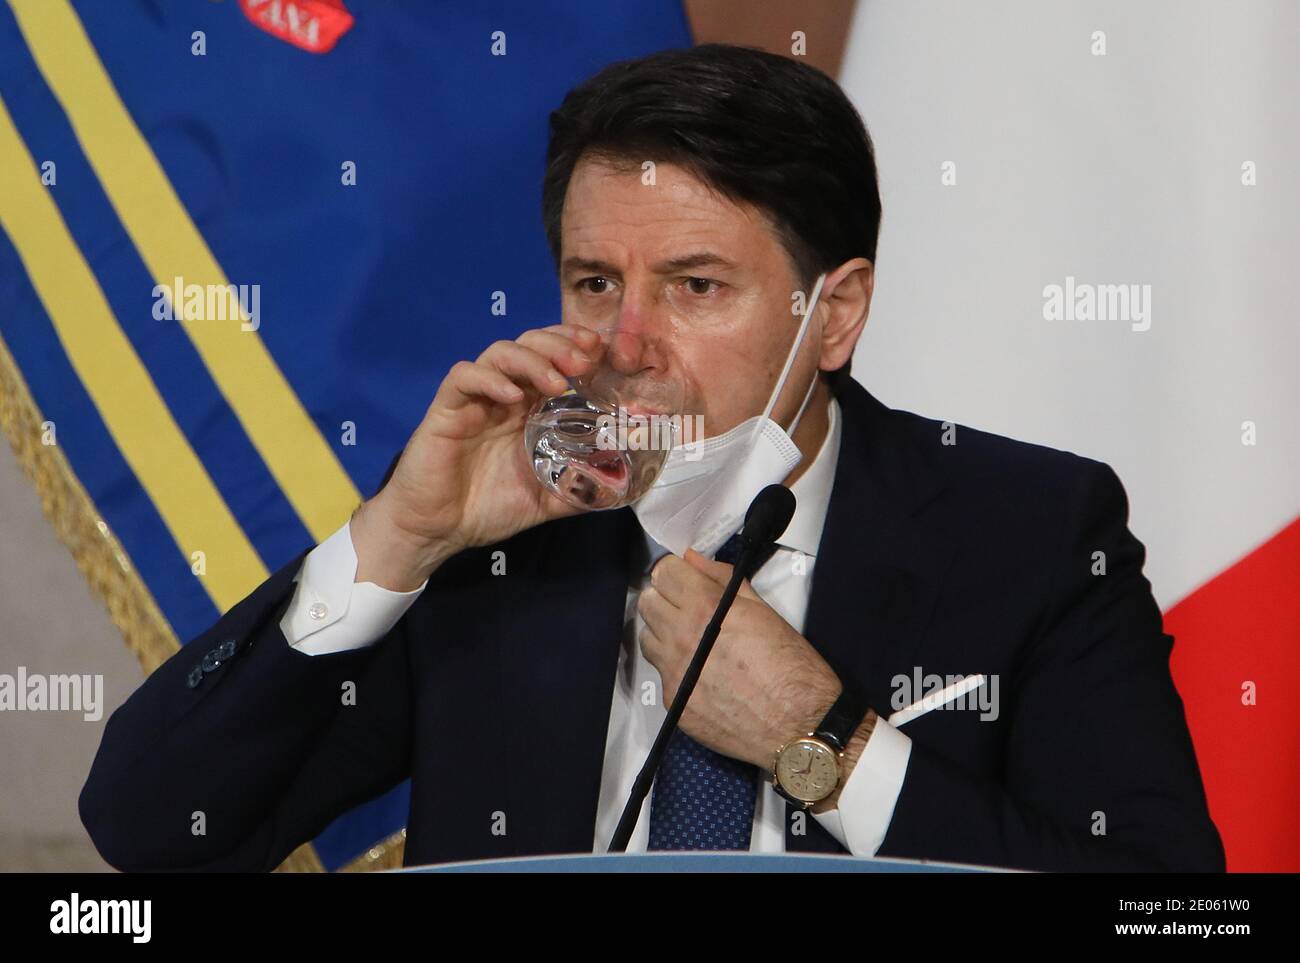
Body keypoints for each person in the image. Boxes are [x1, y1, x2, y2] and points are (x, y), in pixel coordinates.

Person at [80, 44, 1225, 872]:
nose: (625, 347)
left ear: (834, 314)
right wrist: (396, 543)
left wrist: (824, 745)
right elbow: (152, 832)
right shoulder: (501, 538)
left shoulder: (1028, 532)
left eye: (694, 287)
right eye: (593, 285)